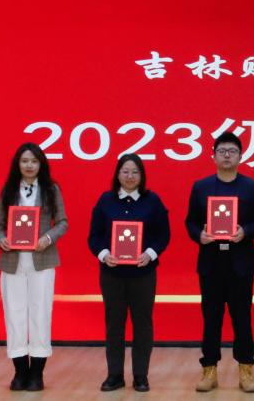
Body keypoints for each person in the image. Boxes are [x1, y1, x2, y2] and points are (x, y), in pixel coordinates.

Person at [184, 131, 254, 393]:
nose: (226, 156)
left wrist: (246, 231)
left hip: (241, 263)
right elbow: (190, 221)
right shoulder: (201, 187)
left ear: (240, 156)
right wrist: (199, 235)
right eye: (221, 151)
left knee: (242, 318)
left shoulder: (252, 187)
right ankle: (209, 370)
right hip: (211, 263)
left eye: (232, 151)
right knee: (211, 319)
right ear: (213, 156)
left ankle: (246, 369)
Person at [87, 153, 172, 393]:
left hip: (143, 274)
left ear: (142, 175)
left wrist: (150, 254)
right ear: (117, 174)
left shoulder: (152, 201)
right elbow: (94, 236)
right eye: (125, 171)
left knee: (142, 324)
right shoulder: (106, 201)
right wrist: (104, 254)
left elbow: (163, 234)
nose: (130, 176)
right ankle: (114, 375)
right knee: (114, 324)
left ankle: (140, 375)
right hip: (112, 274)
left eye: (135, 172)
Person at [0, 143, 68, 392]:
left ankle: (37, 373)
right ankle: (20, 371)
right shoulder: (8, 189)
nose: (29, 165)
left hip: (42, 261)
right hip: (12, 262)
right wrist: (1, 239)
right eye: (25, 161)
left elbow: (63, 222)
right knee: (14, 315)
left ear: (41, 164)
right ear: (18, 164)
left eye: (34, 161)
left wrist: (47, 238)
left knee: (40, 313)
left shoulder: (51, 189)